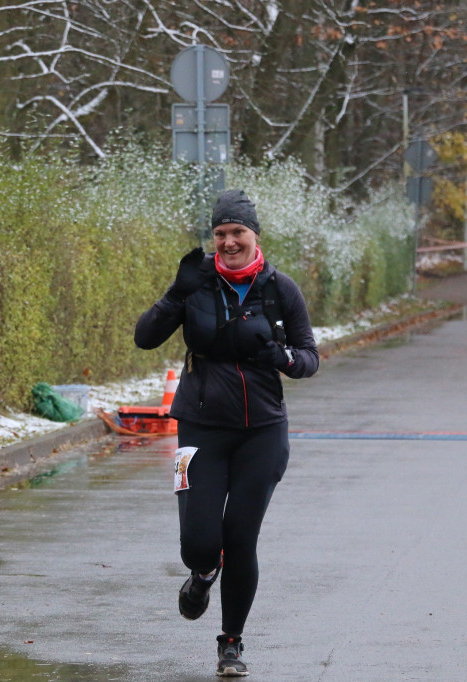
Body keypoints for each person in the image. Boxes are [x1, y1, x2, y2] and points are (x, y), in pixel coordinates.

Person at [134, 189, 319, 677]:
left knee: (241, 538)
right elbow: (145, 337)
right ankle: (202, 572)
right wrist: (175, 294)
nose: (229, 241)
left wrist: (281, 358)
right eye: (221, 234)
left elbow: (309, 358)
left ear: (255, 235)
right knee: (198, 540)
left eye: (238, 232)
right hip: (199, 426)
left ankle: (231, 644)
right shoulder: (196, 285)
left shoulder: (281, 289)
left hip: (263, 430)